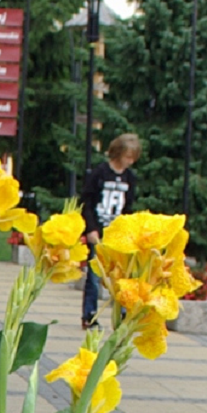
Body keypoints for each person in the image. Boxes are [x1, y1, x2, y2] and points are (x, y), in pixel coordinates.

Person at [80, 132, 141, 328]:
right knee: (95, 274)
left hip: (119, 233)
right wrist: (91, 228)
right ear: (118, 153)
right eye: (127, 157)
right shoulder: (100, 173)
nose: (129, 161)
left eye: (133, 158)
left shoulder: (129, 178)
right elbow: (87, 202)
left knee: (121, 275)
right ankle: (89, 314)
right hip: (99, 229)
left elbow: (129, 206)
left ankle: (122, 312)